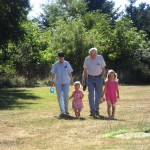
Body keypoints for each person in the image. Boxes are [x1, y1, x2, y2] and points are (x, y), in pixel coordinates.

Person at [82, 47, 106, 118]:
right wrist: (84, 79)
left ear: (96, 54)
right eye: (91, 54)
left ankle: (96, 109)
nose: (93, 56)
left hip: (99, 78)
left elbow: (103, 68)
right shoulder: (87, 59)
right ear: (89, 54)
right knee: (91, 94)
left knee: (98, 94)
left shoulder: (100, 58)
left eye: (94, 54)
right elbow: (85, 70)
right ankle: (92, 110)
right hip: (90, 78)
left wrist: (102, 76)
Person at [51, 51, 73, 117]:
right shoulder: (56, 64)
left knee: (66, 95)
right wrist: (52, 80)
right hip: (58, 82)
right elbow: (53, 73)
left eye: (62, 57)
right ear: (58, 57)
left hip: (66, 82)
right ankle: (62, 110)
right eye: (59, 57)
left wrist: (71, 79)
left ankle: (66, 110)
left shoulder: (67, 63)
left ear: (63, 57)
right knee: (59, 96)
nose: (61, 58)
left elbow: (70, 72)